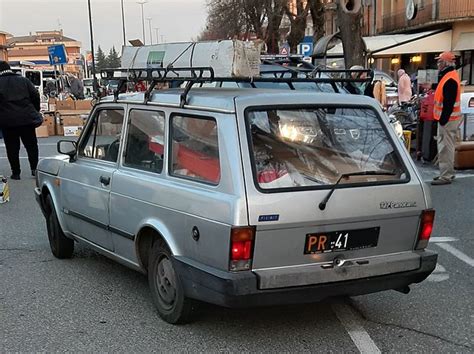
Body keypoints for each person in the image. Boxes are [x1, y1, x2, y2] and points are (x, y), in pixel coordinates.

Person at [0, 61, 42, 180]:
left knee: (12, 147)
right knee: (31, 145)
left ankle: (16, 172)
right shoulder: (23, 80)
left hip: (7, 121)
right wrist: (35, 110)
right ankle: (34, 169)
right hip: (27, 119)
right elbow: (35, 95)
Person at [431, 51, 461, 185]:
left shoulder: (449, 78)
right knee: (447, 146)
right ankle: (448, 172)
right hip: (450, 119)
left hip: (447, 119)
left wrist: (443, 119)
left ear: (445, 63)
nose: (438, 63)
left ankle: (446, 175)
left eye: (439, 61)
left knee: (445, 147)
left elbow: (448, 102)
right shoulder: (449, 76)